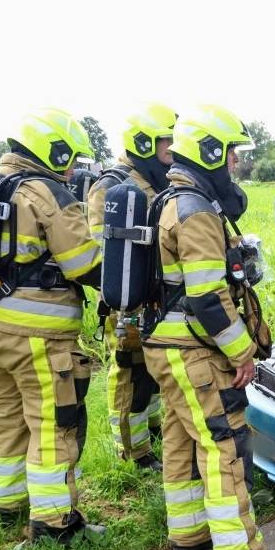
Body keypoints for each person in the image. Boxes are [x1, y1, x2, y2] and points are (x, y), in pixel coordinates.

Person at [141, 104, 275, 550]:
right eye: (229, 153)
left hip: (166, 345)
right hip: (195, 350)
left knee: (182, 438)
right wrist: (242, 353)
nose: (234, 164)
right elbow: (207, 297)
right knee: (222, 442)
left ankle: (188, 534)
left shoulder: (170, 198)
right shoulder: (197, 210)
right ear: (208, 151)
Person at [0, 108, 104, 542]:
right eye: (71, 158)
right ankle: (56, 526)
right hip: (35, 338)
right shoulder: (47, 193)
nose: (74, 168)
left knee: (7, 419)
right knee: (52, 426)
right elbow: (85, 264)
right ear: (52, 151)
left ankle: (7, 507)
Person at [86, 104, 176, 472]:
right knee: (129, 373)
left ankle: (150, 432)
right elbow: (102, 254)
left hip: (156, 297)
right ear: (143, 144)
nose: (173, 152)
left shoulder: (157, 181)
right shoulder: (110, 187)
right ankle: (133, 454)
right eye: (167, 144)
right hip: (127, 300)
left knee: (151, 373)